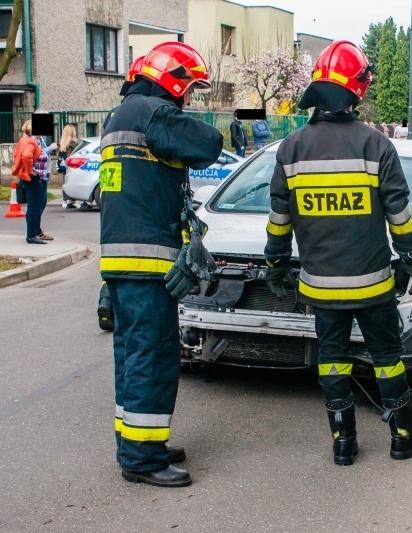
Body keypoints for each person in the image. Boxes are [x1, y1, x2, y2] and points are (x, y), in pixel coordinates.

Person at [265, 40, 412, 465]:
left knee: (332, 360)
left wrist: (275, 264)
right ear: (358, 90)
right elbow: (399, 215)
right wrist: (410, 257)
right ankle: (404, 435)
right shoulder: (376, 146)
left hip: (321, 288)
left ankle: (343, 442)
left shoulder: (290, 149)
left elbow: (279, 220)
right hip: (372, 285)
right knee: (387, 358)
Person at [100, 41, 223, 487]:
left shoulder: (119, 117)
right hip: (147, 263)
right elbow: (210, 143)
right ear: (173, 82)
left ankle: (135, 441)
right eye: (189, 90)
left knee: (131, 355)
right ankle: (143, 458)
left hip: (119, 262)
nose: (189, 100)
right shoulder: (154, 113)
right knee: (152, 356)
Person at [96, 55, 146, 333]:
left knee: (113, 259)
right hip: (129, 192)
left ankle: (107, 301)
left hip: (111, 190)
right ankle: (111, 304)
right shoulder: (140, 114)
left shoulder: (114, 115)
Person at [11, 120, 46, 244]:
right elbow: (26, 156)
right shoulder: (31, 142)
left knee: (33, 206)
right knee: (33, 207)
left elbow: (17, 155)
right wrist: (30, 170)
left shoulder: (23, 140)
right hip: (32, 178)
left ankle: (32, 234)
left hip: (26, 176)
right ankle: (31, 235)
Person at [34, 131, 58, 238]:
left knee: (41, 203)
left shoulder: (41, 138)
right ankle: (35, 231)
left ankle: (36, 230)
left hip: (44, 173)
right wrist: (50, 148)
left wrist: (51, 149)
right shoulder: (32, 138)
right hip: (38, 173)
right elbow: (38, 154)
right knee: (37, 205)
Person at [58, 124, 80, 209]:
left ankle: (65, 201)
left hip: (64, 166)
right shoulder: (73, 143)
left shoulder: (63, 143)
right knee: (72, 183)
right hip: (72, 166)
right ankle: (71, 201)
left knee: (65, 183)